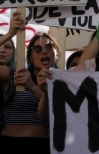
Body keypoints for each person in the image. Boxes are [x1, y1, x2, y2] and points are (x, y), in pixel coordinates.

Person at [0, 13, 61, 152]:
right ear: (30, 58)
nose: (44, 51)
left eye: (49, 47)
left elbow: (60, 110)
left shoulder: (63, 82)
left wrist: (33, 88)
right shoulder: (16, 74)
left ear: (56, 54)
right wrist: (9, 34)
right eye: (38, 49)